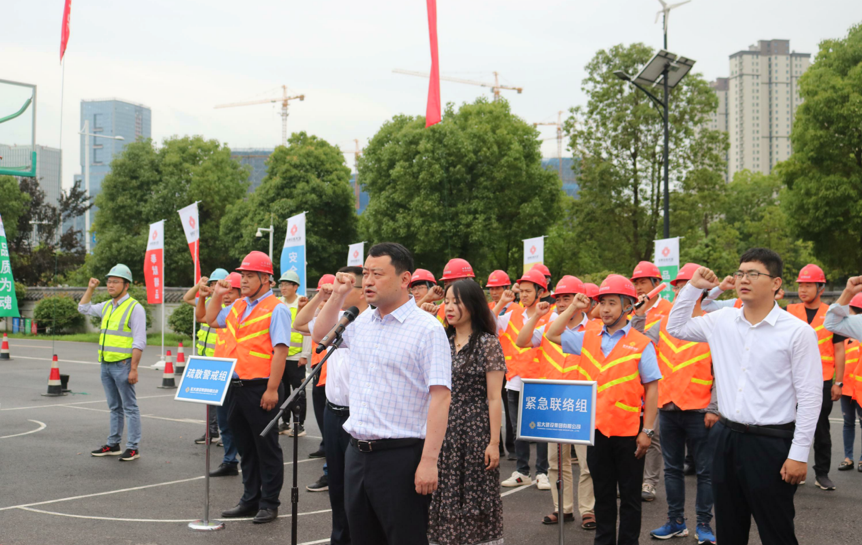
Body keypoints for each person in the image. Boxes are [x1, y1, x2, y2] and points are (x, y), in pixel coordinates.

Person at [667, 249, 822, 545]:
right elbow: (676, 326)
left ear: (776, 283)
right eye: (740, 273)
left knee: (776, 530)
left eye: (753, 273)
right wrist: (694, 286)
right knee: (729, 529)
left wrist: (799, 454)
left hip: (771, 443)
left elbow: (811, 397)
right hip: (726, 438)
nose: (743, 279)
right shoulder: (722, 321)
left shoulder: (797, 333)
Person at [312, 242, 451, 545]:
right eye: (365, 273)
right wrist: (337, 294)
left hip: (401, 457)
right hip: (357, 454)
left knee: (404, 538)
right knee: (361, 537)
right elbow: (320, 334)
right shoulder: (361, 323)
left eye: (378, 273)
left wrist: (429, 461)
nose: (369, 281)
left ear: (404, 279)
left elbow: (441, 396)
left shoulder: (427, 329)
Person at [546, 274, 660, 545]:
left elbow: (652, 388)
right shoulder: (587, 338)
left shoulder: (641, 343)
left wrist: (648, 431)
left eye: (612, 303)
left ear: (627, 305)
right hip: (595, 431)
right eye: (602, 303)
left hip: (629, 433)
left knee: (630, 499)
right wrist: (574, 306)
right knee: (604, 496)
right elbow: (552, 334)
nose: (606, 309)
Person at [633, 263, 717, 544]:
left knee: (705, 471)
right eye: (679, 285)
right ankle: (676, 521)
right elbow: (637, 343)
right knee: (672, 469)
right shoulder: (665, 325)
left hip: (700, 410)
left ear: (701, 290)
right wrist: (639, 317)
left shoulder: (712, 325)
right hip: (667, 408)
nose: (681, 290)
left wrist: (714, 407)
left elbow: (722, 371)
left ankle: (704, 524)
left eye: (686, 285)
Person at [205, 251, 290, 524]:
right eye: (242, 275)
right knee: (246, 448)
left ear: (266, 279)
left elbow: (280, 351)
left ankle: (269, 503)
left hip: (259, 388)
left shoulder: (277, 308)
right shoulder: (239, 305)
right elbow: (210, 319)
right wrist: (217, 294)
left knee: (266, 448)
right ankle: (250, 499)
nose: (243, 280)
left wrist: (273, 389)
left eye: (249, 275)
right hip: (234, 386)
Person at [516, 275, 597, 530]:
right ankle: (563, 508)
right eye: (559, 298)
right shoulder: (549, 324)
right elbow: (521, 341)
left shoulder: (594, 328)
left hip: (583, 404)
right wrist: (537, 316)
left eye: (567, 298)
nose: (561, 303)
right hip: (554, 403)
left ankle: (588, 510)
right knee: (556, 461)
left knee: (586, 463)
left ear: (580, 299)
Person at [294, 266, 369, 544]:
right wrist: (322, 296)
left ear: (361, 289)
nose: (339, 286)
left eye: (345, 283)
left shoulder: (371, 321)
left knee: (358, 489)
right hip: (333, 412)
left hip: (359, 416)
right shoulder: (337, 320)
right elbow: (300, 325)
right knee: (336, 485)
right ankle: (339, 538)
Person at [428, 280, 506, 545]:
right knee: (445, 488)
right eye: (447, 301)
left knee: (475, 491)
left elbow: (494, 398)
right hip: (442, 427)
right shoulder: (441, 340)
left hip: (475, 429)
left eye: (456, 302)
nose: (449, 307)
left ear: (472, 305)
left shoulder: (488, 344)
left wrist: (494, 442)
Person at [785, 264, 845, 491]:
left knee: (820, 429)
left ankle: (822, 474)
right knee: (788, 426)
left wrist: (838, 382)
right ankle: (791, 470)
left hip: (822, 381)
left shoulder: (832, 314)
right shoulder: (788, 311)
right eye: (801, 285)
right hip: (791, 381)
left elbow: (839, 349)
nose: (803, 289)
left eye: (808, 285)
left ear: (821, 287)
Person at [494, 268, 555, 490]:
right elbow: (489, 324)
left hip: (539, 380)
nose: (524, 295)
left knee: (539, 428)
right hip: (515, 378)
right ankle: (522, 471)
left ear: (541, 291)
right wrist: (502, 302)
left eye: (529, 291)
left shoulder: (551, 315)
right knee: (518, 427)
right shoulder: (513, 314)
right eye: (522, 291)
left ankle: (542, 472)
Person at [79, 264, 146, 462]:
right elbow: (83, 308)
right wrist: (90, 288)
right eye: (109, 281)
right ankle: (113, 443)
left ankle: (133, 447)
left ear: (126, 285)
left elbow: (139, 341)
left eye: (115, 281)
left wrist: (134, 368)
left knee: (130, 407)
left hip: (123, 365)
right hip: (106, 364)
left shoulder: (135, 308)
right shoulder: (107, 306)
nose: (110, 285)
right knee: (114, 406)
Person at [195, 272, 243, 477]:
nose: (226, 295)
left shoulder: (244, 313)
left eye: (232, 291)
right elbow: (201, 317)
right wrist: (204, 296)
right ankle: (229, 460)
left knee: (240, 423)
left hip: (241, 376)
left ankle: (246, 461)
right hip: (220, 371)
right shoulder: (221, 313)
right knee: (224, 422)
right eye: (225, 290)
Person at [629, 260, 669, 502]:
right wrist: (638, 314)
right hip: (633, 381)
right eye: (636, 283)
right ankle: (631, 479)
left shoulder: (669, 309)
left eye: (643, 282)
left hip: (658, 380)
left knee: (652, 434)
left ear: (656, 284)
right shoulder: (634, 309)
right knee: (632, 432)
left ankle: (649, 482)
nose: (639, 287)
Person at [183, 269, 228, 445]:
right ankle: (211, 431)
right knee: (210, 399)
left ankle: (225, 433)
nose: (213, 286)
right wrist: (199, 286)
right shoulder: (207, 301)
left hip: (221, 358)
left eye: (217, 283)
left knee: (223, 401)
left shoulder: (228, 305)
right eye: (211, 284)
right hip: (205, 357)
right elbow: (187, 298)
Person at [824, 278, 862, 473]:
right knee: (848, 423)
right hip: (850, 389)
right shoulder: (855, 329)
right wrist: (848, 292)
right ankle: (849, 457)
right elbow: (830, 322)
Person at [276, 270, 313, 437]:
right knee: (281, 391)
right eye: (281, 284)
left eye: (286, 284)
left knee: (298, 392)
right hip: (280, 356)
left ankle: (299, 424)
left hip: (296, 357)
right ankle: (284, 423)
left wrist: (305, 354)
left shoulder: (303, 303)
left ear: (295, 286)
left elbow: (307, 330)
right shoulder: (277, 303)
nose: (283, 287)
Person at [486, 269, 517, 460]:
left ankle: (513, 447)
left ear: (507, 288)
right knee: (492, 405)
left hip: (512, 365)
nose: (495, 292)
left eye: (498, 288)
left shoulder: (517, 308)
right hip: (491, 364)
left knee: (509, 409)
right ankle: (497, 445)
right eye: (492, 288)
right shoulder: (488, 307)